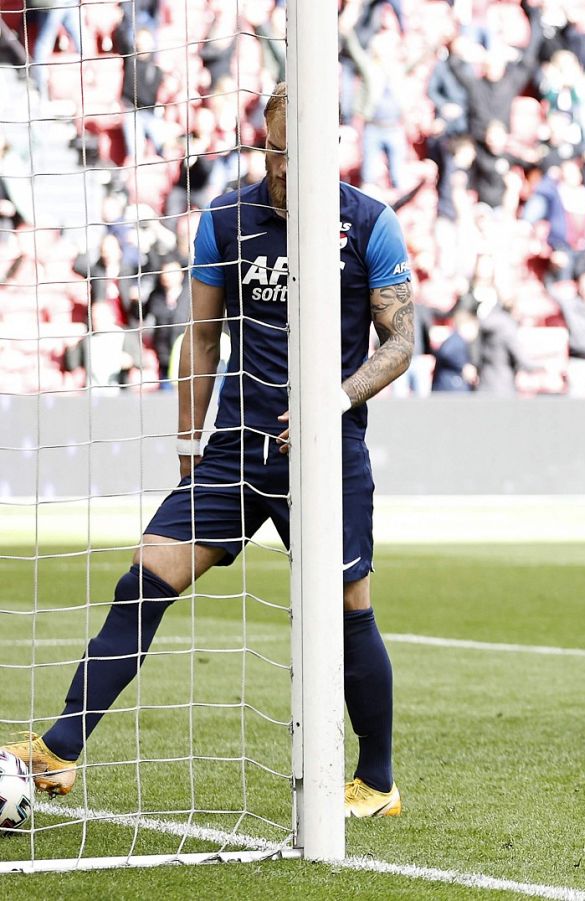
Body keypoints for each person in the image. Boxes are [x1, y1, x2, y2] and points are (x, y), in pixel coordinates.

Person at [5, 82, 415, 819]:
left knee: (349, 607)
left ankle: (378, 780)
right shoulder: (227, 218)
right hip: (234, 449)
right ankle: (61, 747)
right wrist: (191, 437)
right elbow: (199, 337)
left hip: (326, 456)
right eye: (275, 148)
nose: (285, 165)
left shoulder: (370, 223)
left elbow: (401, 342)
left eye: (300, 151)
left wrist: (336, 399)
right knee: (147, 573)